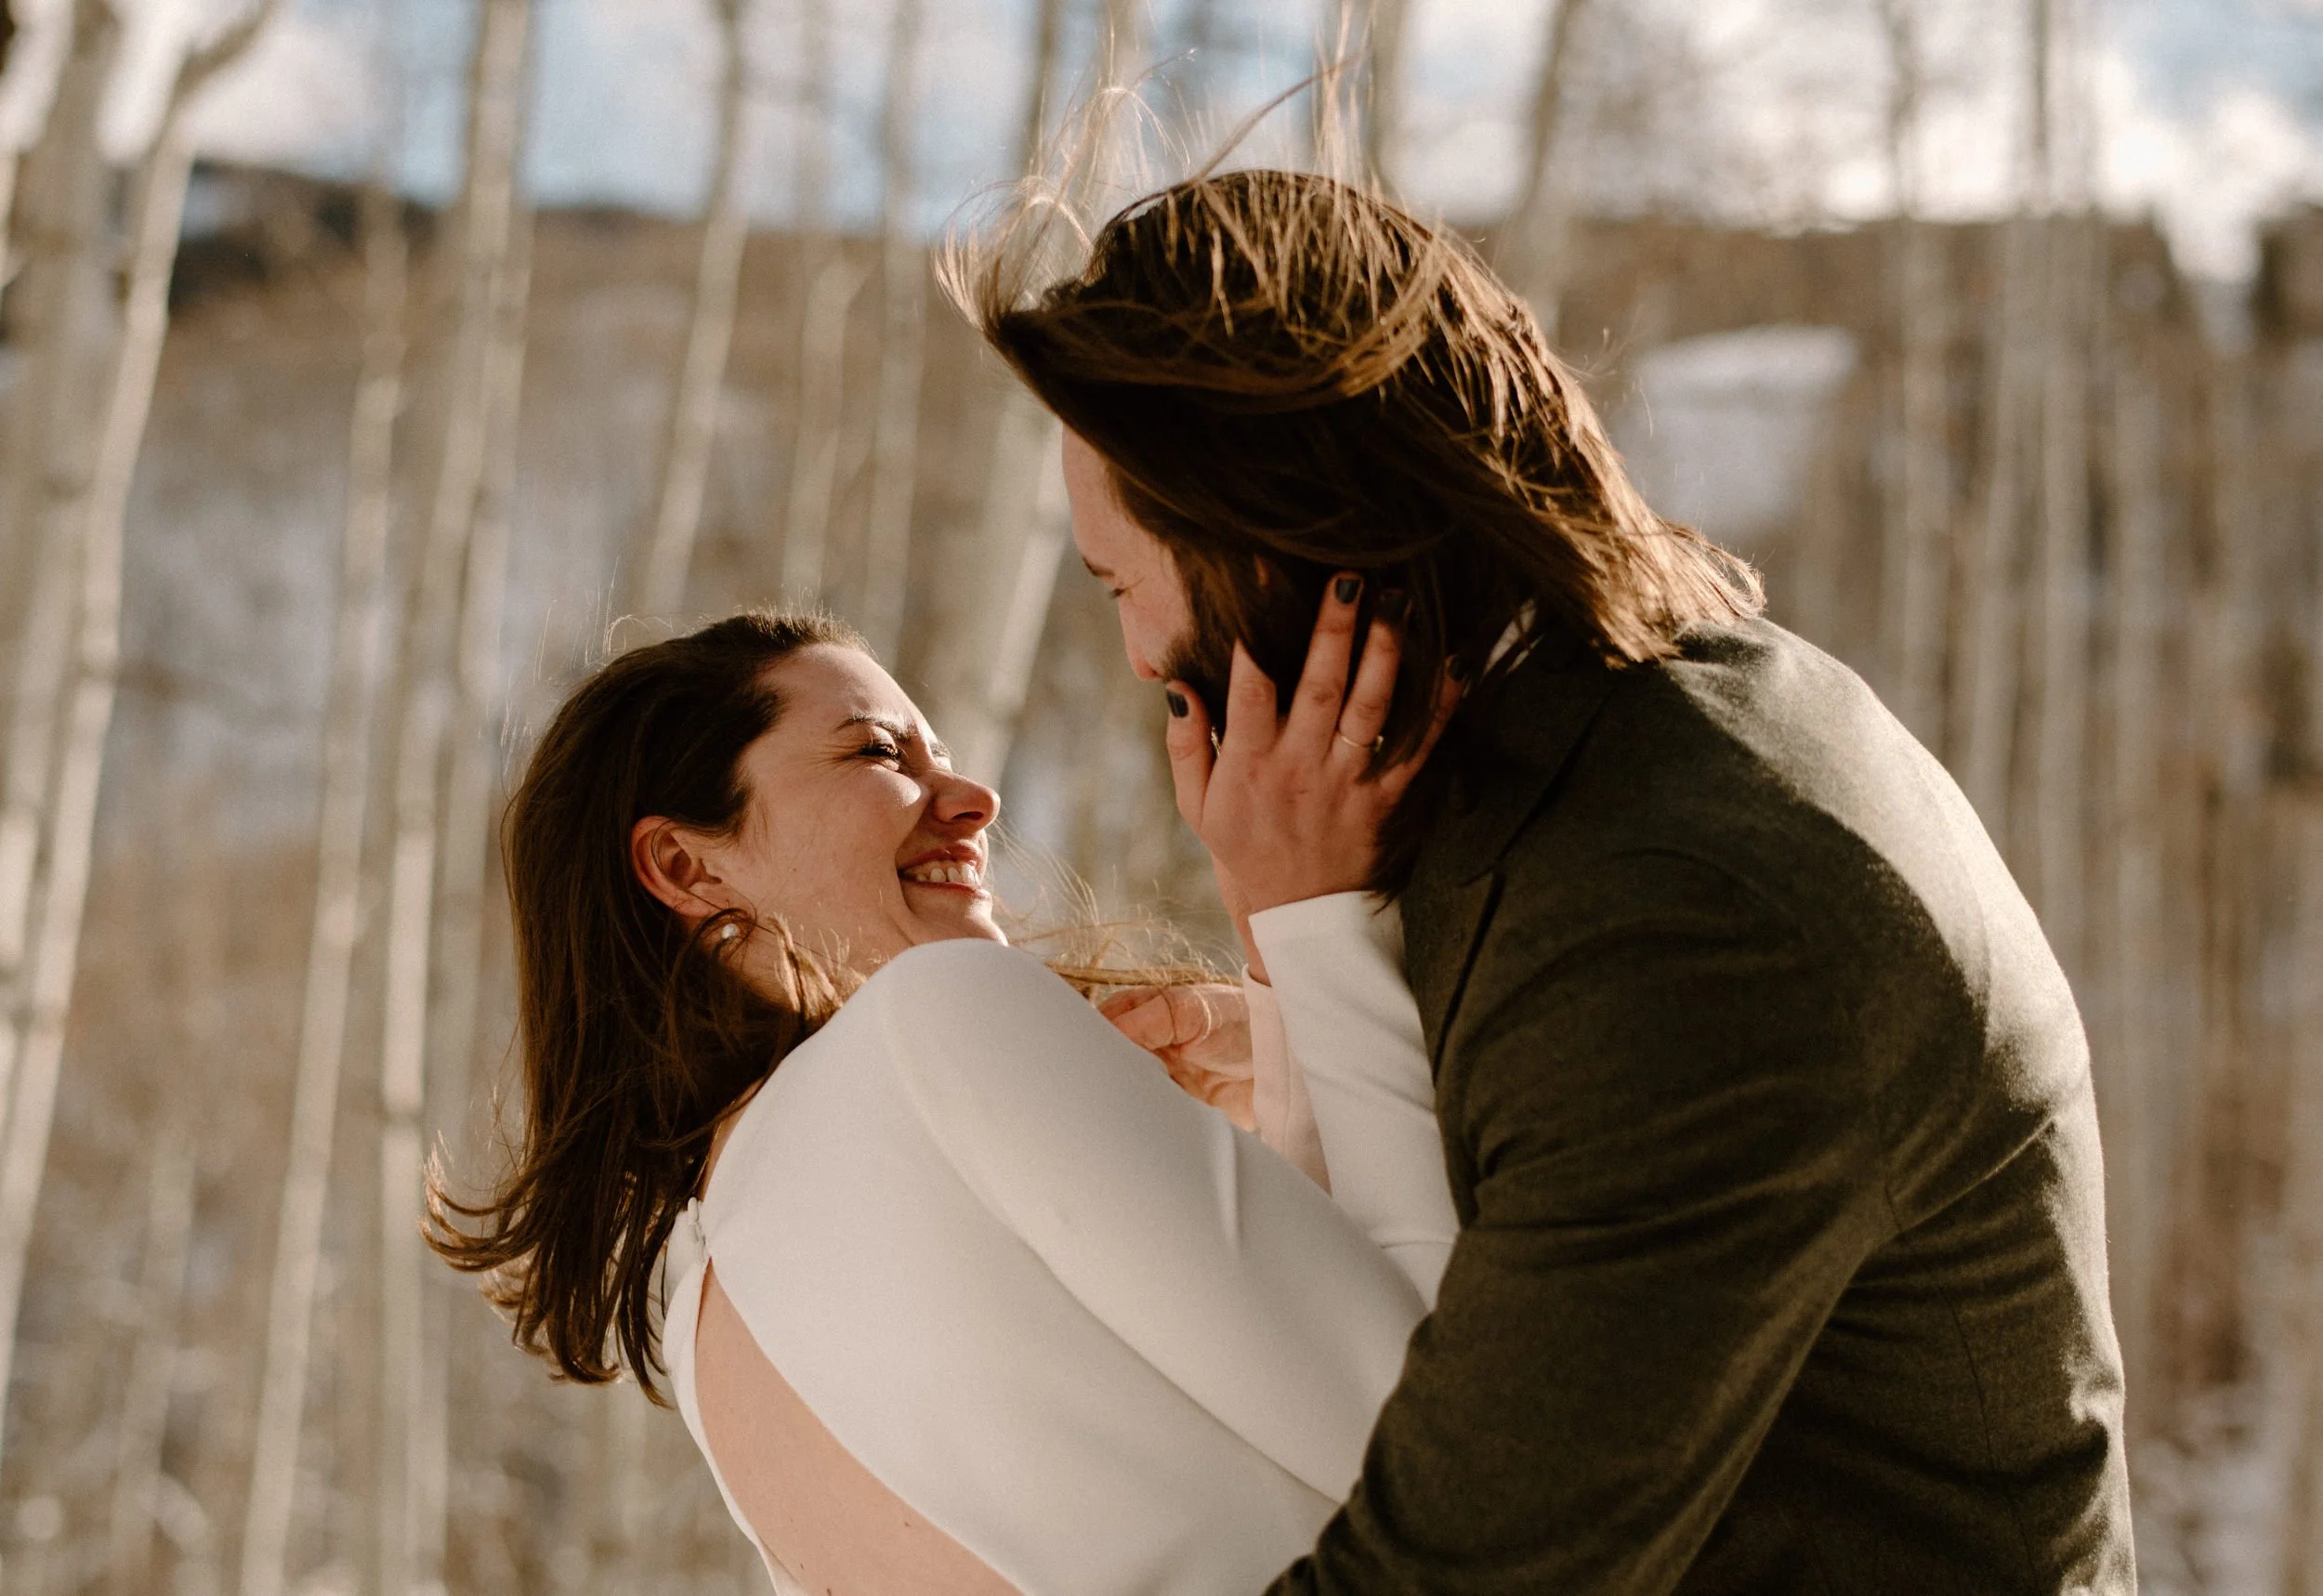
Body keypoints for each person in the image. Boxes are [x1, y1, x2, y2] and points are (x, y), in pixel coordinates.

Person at [954, 166, 2136, 1592]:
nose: (1140, 657)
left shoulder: (1679, 911)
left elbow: (1449, 1568)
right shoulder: (1613, 747)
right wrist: (1302, 964)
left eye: (1119, 582)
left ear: (1266, 539)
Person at [429, 608, 1463, 1595]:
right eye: (881, 753)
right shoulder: (933, 1020)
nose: (975, 797)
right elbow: (1451, 1437)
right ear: (684, 863)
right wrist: (1321, 928)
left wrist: (1290, 1052)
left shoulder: (709, 1307)